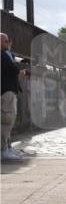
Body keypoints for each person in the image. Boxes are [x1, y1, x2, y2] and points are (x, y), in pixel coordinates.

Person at [1, 33, 26, 162]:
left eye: (8, 41)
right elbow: (14, 68)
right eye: (5, 41)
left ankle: (7, 148)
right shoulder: (2, 55)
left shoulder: (6, 54)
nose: (8, 43)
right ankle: (3, 150)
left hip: (10, 91)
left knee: (9, 121)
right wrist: (19, 70)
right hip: (6, 92)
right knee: (6, 120)